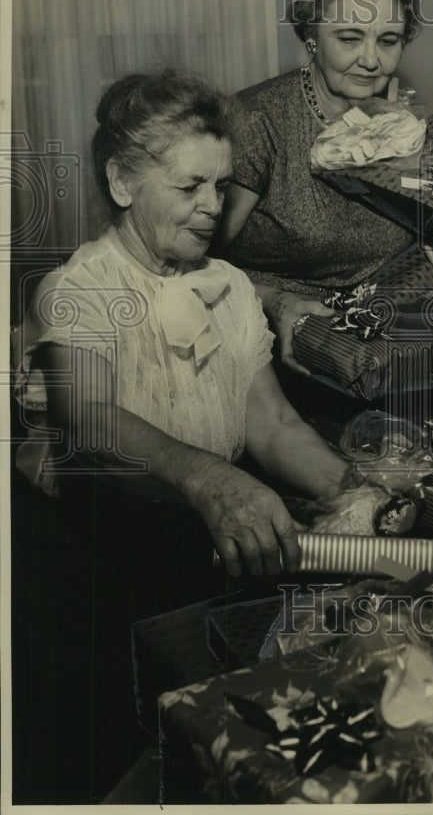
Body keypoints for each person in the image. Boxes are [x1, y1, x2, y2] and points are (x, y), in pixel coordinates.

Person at [12, 68, 354, 802]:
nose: (212, 207)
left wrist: (354, 493)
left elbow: (272, 422)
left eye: (222, 185)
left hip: (204, 557)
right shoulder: (78, 291)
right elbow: (91, 421)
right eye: (189, 186)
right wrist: (210, 479)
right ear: (123, 181)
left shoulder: (228, 288)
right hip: (101, 575)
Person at [220, 0, 433, 377]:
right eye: (349, 37)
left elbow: (432, 269)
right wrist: (275, 303)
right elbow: (183, 267)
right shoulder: (257, 122)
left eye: (388, 40)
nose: (371, 60)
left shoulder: (407, 126)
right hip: (272, 352)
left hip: (383, 347)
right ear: (310, 36)